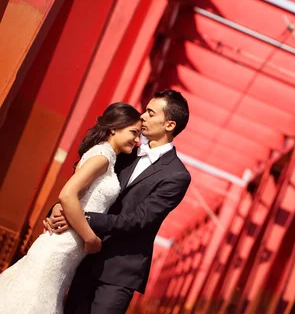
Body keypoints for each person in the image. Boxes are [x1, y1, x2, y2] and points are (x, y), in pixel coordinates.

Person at [46, 89, 191, 313]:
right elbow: (86, 187)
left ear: (169, 125)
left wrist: (80, 217)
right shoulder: (125, 150)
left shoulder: (177, 176)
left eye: (151, 113)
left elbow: (139, 220)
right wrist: (58, 208)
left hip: (120, 272)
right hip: (86, 256)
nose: (142, 116)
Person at [0, 102, 142, 313]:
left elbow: (78, 196)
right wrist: (90, 238)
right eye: (134, 132)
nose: (138, 140)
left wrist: (60, 209)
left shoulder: (106, 156)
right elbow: (67, 194)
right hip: (61, 246)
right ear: (115, 127)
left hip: (66, 251)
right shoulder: (102, 157)